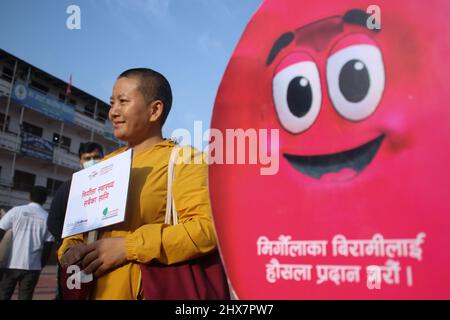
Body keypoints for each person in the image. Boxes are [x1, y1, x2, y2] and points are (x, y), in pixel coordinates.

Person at [59, 68, 221, 299]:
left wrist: (128, 247)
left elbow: (206, 230)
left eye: (123, 101)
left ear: (154, 110)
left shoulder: (185, 160)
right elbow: (77, 229)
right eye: (112, 102)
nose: (113, 112)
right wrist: (70, 248)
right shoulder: (101, 167)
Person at [47, 141, 104, 299]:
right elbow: (54, 221)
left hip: (101, 255)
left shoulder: (110, 183)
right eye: (87, 158)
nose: (92, 161)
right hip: (74, 259)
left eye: (96, 157)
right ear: (80, 161)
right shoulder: (69, 187)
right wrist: (70, 245)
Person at [0, 186, 54, 300]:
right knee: (26, 296)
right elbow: (48, 245)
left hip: (11, 263)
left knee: (3, 295)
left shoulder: (16, 211)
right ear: (45, 200)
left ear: (29, 196)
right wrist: (41, 264)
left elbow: (1, 230)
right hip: (33, 266)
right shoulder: (47, 218)